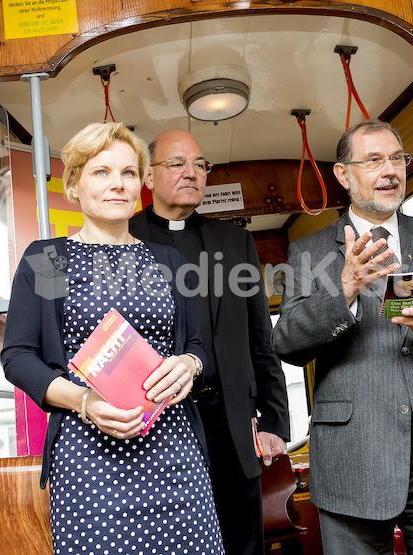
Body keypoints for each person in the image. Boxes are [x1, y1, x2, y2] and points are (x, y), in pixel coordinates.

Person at [272, 119, 413, 554]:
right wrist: (345, 290)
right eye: (374, 160)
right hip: (352, 455)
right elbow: (288, 344)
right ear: (343, 174)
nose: (390, 170)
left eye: (397, 158)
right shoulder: (310, 252)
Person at [1, 122, 224, 554]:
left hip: (175, 454)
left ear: (141, 182)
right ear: (75, 184)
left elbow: (195, 346)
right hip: (89, 460)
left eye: (127, 172)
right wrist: (85, 402)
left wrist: (189, 366)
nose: (116, 184)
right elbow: (18, 356)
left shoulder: (168, 260)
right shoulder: (48, 260)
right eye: (101, 172)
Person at [129, 129, 290, 555]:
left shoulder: (235, 241)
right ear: (148, 177)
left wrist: (274, 419)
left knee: (244, 545)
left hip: (232, 423)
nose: (191, 173)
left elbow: (261, 335)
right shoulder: (121, 238)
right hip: (157, 423)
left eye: (200, 165)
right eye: (177, 163)